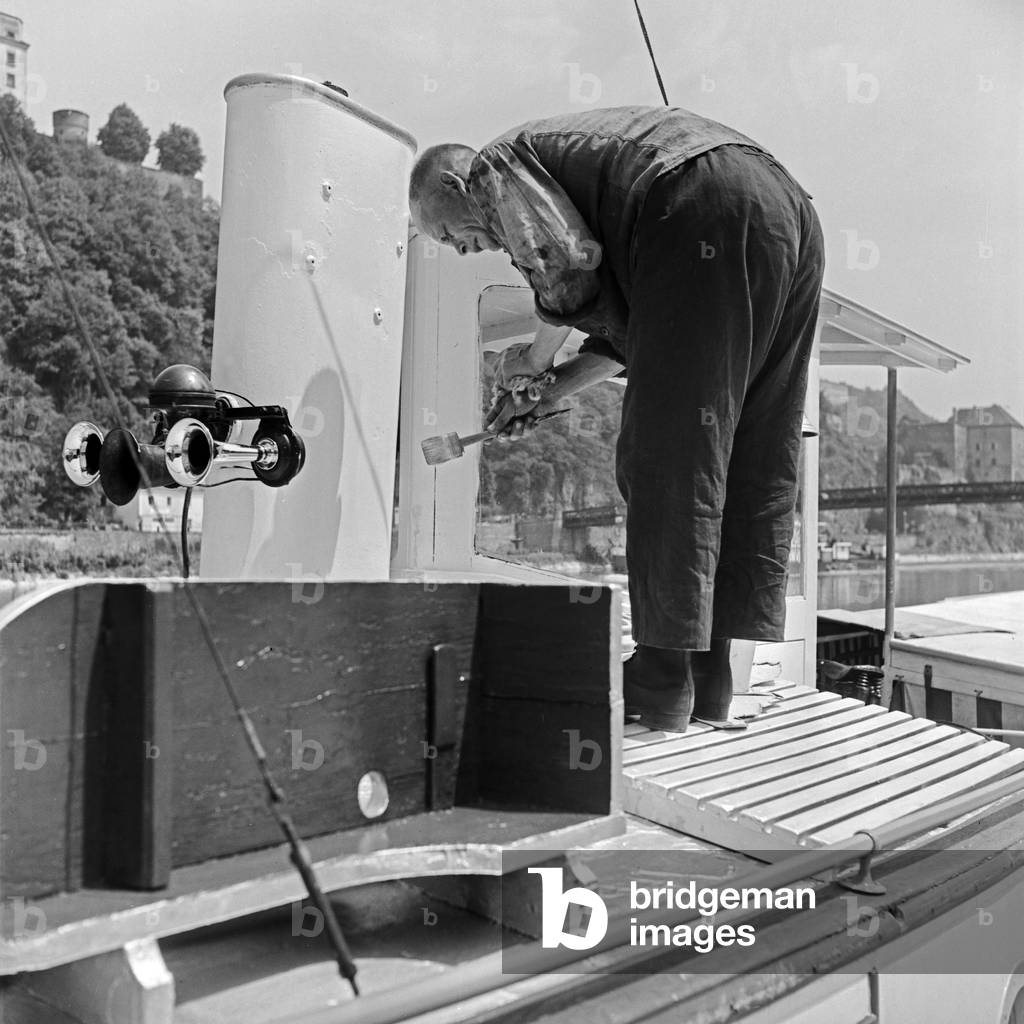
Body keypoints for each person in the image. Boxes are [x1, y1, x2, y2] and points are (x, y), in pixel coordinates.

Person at [408, 106, 825, 733]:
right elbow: (633, 339)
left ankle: (658, 679)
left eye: (445, 235)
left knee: (667, 451)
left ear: (451, 186)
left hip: (697, 194)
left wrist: (530, 362)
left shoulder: (491, 169)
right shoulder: (576, 186)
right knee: (749, 443)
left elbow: (565, 271)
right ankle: (709, 676)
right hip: (786, 214)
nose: (464, 250)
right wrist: (548, 393)